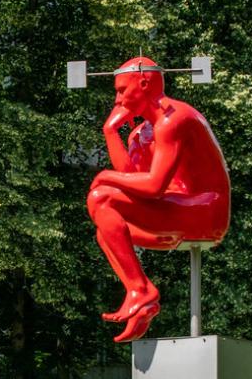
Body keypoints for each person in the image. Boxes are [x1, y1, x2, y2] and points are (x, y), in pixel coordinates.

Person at [86, 56, 231, 343]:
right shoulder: (143, 133)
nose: (118, 99)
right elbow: (130, 179)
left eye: (121, 90)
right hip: (176, 209)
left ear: (144, 83)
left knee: (102, 197)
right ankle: (141, 299)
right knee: (105, 229)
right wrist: (110, 131)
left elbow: (152, 187)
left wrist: (103, 176)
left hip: (204, 209)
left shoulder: (174, 119)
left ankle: (142, 291)